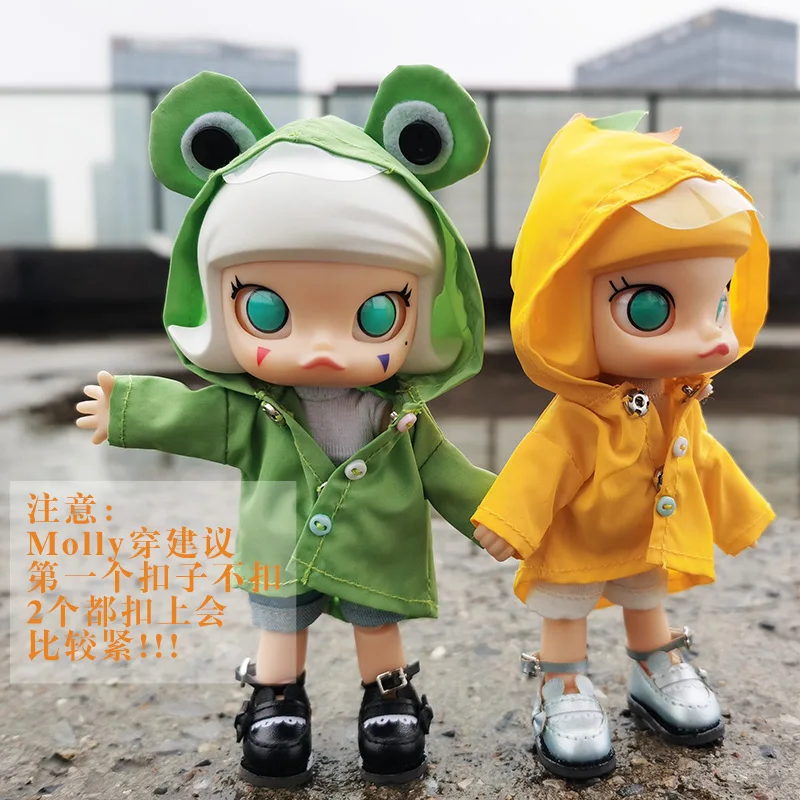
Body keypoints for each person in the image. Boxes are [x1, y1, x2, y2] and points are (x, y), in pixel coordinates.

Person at [76, 66, 494, 789]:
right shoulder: (255, 411)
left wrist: (500, 514)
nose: (323, 347)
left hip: (376, 543)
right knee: (279, 622)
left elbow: (447, 473)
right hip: (281, 540)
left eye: (374, 314)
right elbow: (195, 414)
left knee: (376, 621)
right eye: (268, 311)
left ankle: (388, 698)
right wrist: (130, 409)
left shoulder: (398, 416)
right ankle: (276, 700)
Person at [472, 111, 774, 779]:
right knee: (566, 610)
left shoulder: (679, 399)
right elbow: (544, 463)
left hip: (643, 533)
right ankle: (562, 682)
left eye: (719, 301)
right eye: (651, 307)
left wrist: (743, 514)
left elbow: (701, 458)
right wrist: (509, 521)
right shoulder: (581, 412)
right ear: (563, 303)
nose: (711, 335)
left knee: (646, 597)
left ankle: (653, 663)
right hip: (578, 537)